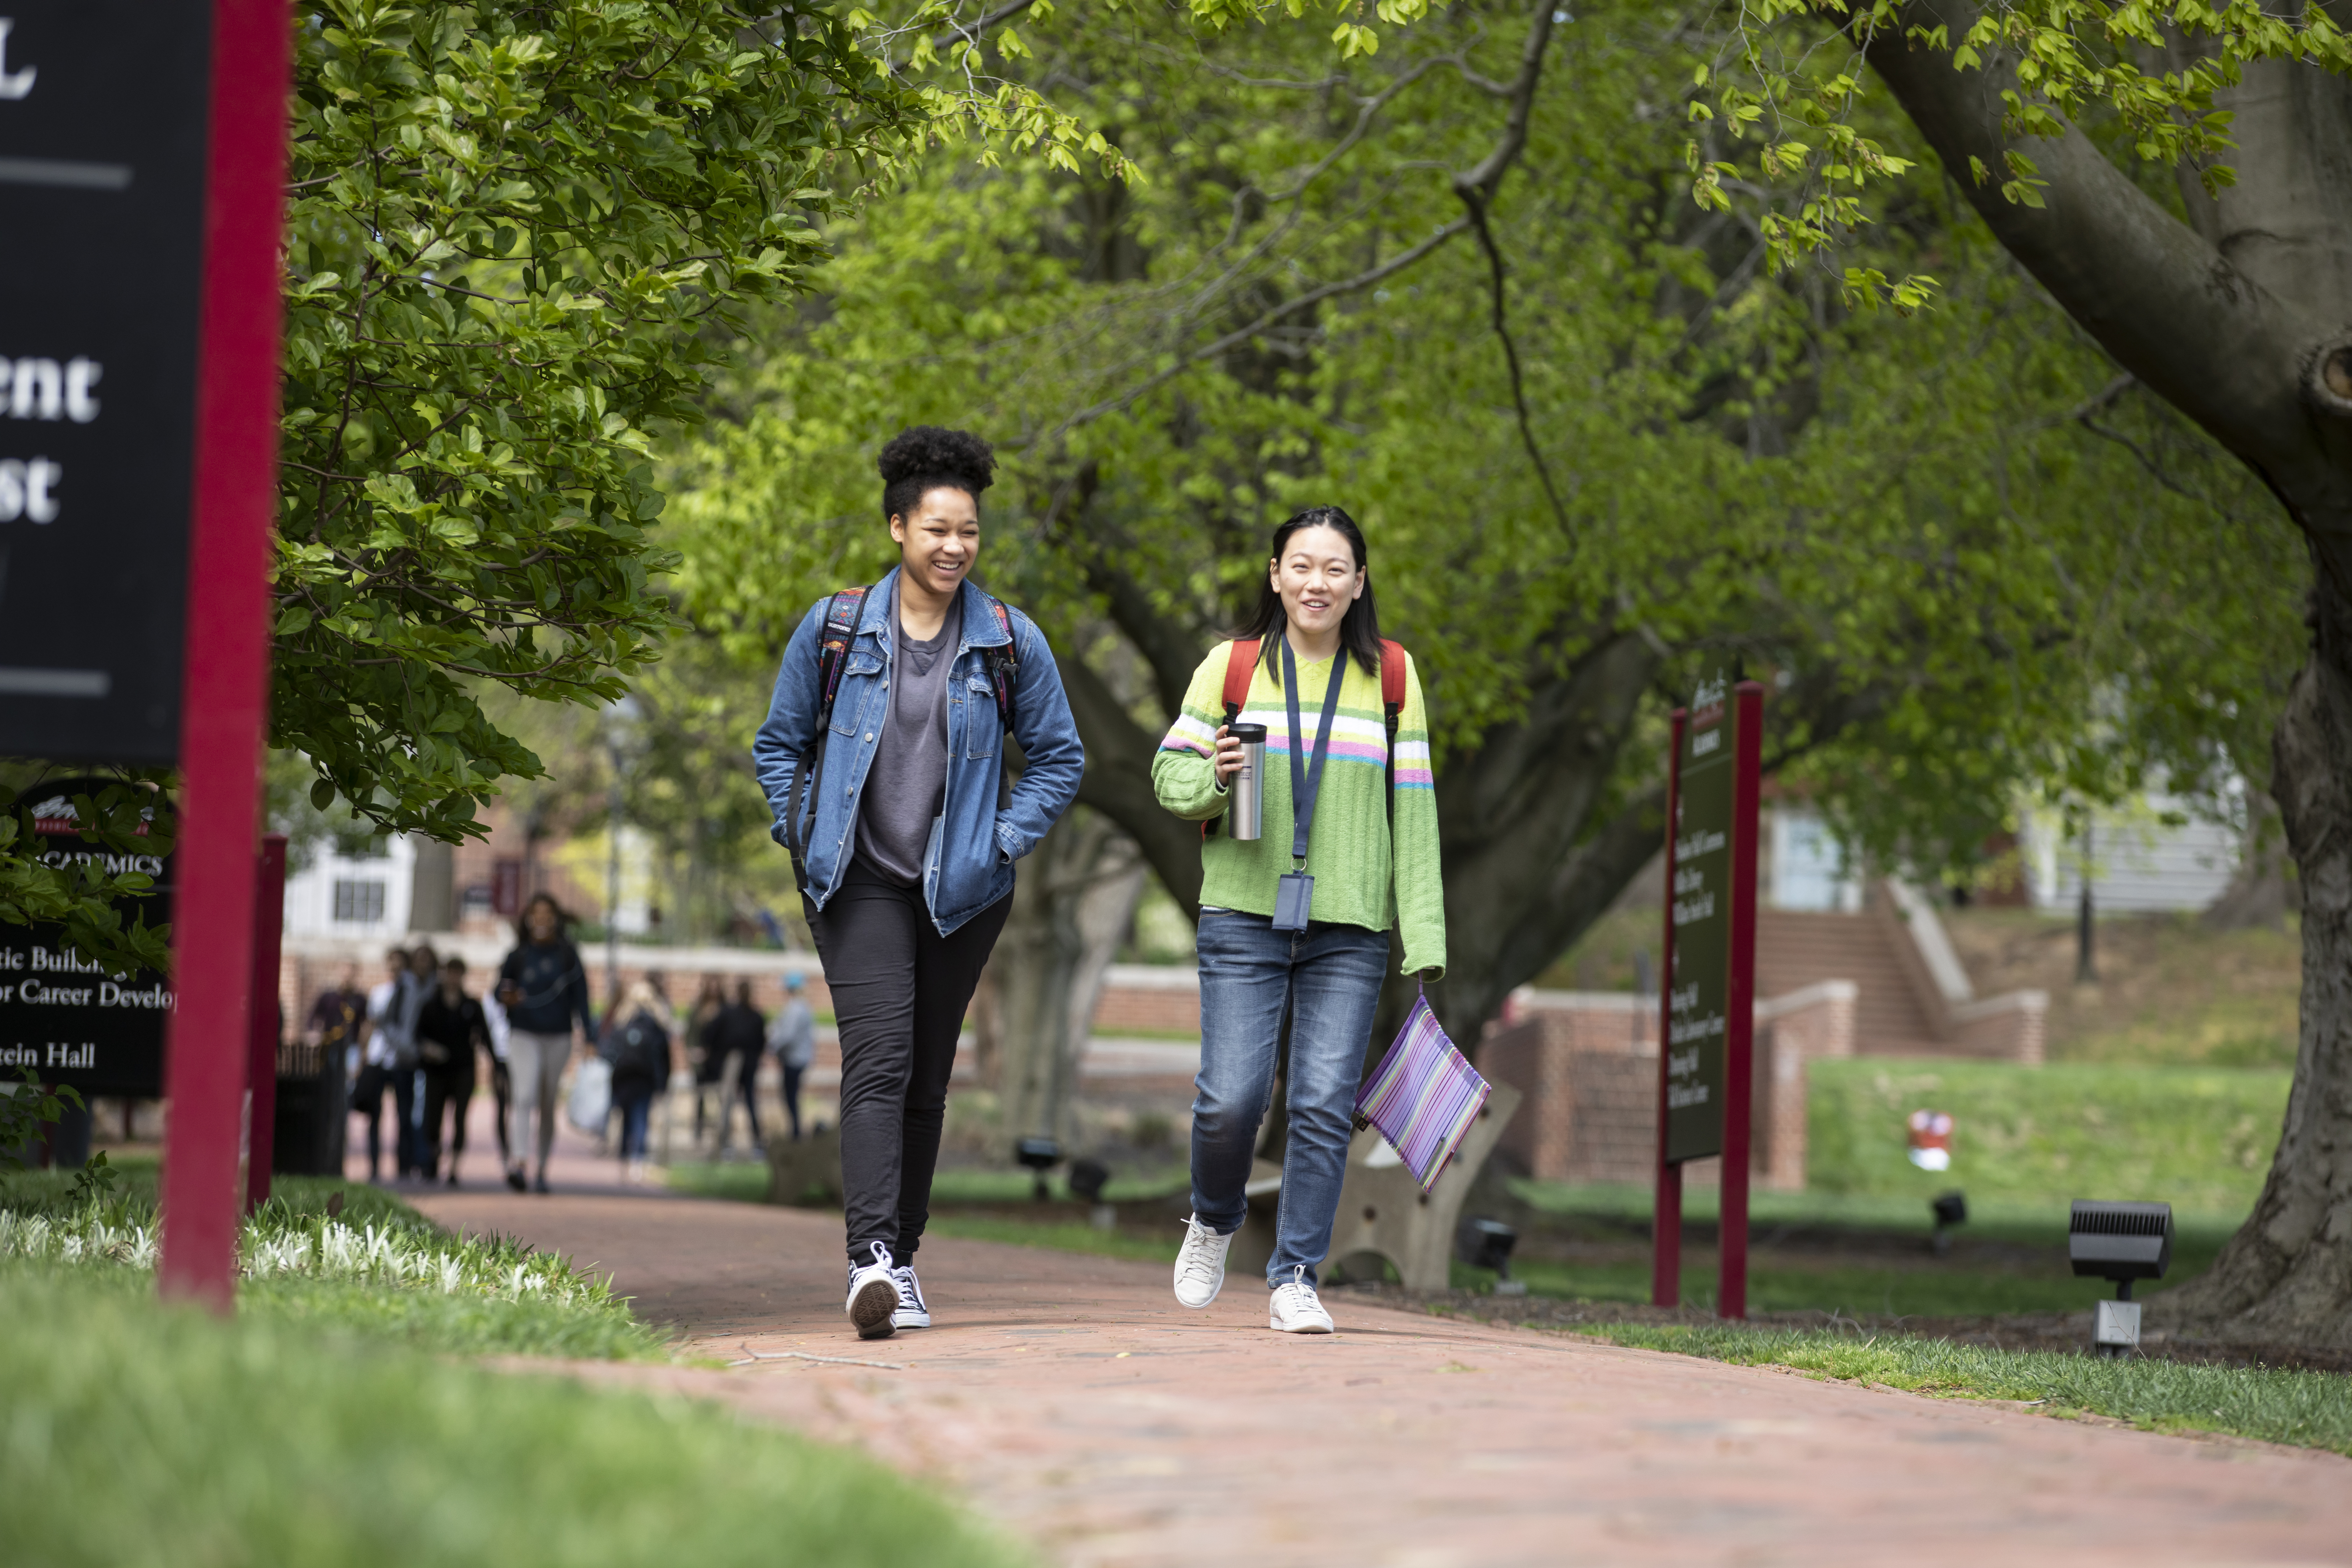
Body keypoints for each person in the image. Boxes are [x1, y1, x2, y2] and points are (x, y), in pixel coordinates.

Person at [753, 425, 1085, 1340]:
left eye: (968, 531)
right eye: (937, 528)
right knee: (881, 1057)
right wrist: (799, 825)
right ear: (898, 526)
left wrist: (1004, 840)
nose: (953, 547)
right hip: (858, 878)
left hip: (963, 890)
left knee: (927, 1079)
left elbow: (1060, 757)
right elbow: (780, 743)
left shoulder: (1011, 641)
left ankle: (902, 1256)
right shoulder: (834, 628)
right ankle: (869, 1261)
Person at [1151, 505, 1445, 1334]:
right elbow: (1169, 782)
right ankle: (1213, 1216)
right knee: (1231, 1100)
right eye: (1302, 566)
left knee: (1322, 1104)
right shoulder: (1232, 667)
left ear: (1360, 584)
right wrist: (1215, 774)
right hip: (1243, 912)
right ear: (1276, 575)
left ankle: (1296, 1277)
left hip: (1349, 926)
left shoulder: (1392, 675)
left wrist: (1422, 937)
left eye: (1335, 569)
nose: (1317, 582)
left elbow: (1414, 812)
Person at [496, 894, 595, 1194]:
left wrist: (589, 1038)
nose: (541, 920)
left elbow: (582, 999)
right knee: (524, 1095)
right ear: (528, 919)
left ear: (556, 919)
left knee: (547, 1101)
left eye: (547, 914)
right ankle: (519, 1163)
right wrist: (507, 996)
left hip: (559, 1036)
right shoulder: (518, 955)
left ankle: (541, 1168)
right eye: (535, 914)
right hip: (523, 1034)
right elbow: (499, 989)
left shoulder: (568, 956)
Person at [415, 956, 490, 1185]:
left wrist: (495, 1064)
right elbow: (418, 1035)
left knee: (460, 1118)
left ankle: (455, 1167)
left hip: (463, 1069)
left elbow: (485, 1036)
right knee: (433, 1117)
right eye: (450, 972)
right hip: (437, 1070)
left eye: (458, 973)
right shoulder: (431, 1005)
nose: (453, 978)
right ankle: (434, 1158)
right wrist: (429, 1049)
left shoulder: (471, 1006)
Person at [354, 947, 415, 1182]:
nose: (395, 970)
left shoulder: (412, 993)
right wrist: (363, 1057)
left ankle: (404, 1168)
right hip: (379, 1059)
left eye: (399, 965)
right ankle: (374, 1166)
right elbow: (369, 1026)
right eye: (391, 965)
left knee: (404, 1115)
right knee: (374, 1115)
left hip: (402, 1059)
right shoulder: (379, 993)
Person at [603, 979, 673, 1183]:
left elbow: (610, 1051)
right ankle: (638, 1160)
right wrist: (663, 1083)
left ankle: (624, 1159)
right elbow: (664, 1057)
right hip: (646, 1078)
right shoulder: (657, 1024)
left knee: (626, 1118)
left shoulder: (623, 1020)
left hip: (624, 1078)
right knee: (641, 1117)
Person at [701, 979, 767, 1157]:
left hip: (732, 1061)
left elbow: (709, 1034)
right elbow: (762, 1042)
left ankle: (726, 1144)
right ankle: (757, 1144)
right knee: (750, 1102)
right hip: (749, 1062)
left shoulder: (728, 1013)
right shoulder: (755, 1016)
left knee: (728, 1102)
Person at [766, 973, 817, 1141]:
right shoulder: (801, 1007)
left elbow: (787, 1036)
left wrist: (772, 1047)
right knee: (791, 1095)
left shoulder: (795, 1009)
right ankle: (795, 1129)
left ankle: (795, 1132)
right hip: (798, 1058)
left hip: (794, 1060)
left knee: (790, 1095)